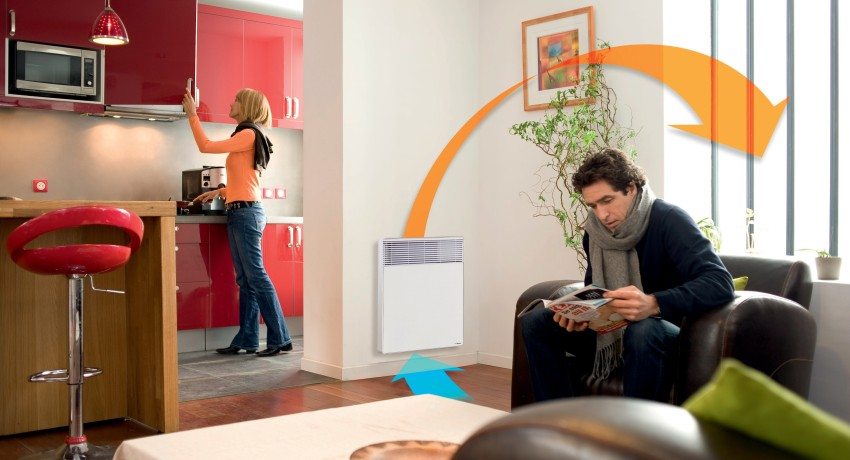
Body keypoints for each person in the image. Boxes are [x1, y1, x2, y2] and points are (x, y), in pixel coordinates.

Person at [522, 147, 734, 402]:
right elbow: (596, 289)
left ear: (631, 188)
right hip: (612, 332)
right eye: (593, 205)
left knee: (642, 329)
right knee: (536, 322)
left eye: (607, 200)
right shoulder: (595, 231)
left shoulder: (669, 220)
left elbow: (719, 282)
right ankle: (556, 417)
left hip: (664, 331)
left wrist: (654, 303)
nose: (601, 214)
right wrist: (582, 315)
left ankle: (635, 425)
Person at [182, 88, 293, 357]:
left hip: (246, 213)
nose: (231, 103)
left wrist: (192, 115)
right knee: (246, 280)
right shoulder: (246, 135)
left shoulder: (248, 134)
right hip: (240, 211)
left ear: (247, 106)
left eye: (236, 100)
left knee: (256, 276)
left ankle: (280, 338)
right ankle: (248, 338)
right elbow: (246, 181)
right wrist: (220, 191)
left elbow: (205, 146)